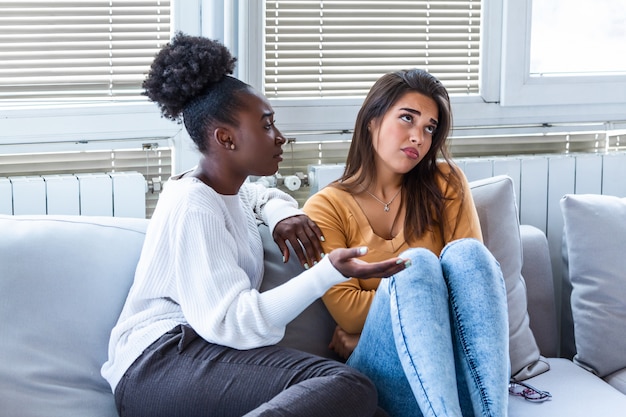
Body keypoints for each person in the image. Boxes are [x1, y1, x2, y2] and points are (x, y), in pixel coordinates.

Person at [101, 33, 410, 417]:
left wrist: (283, 214)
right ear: (226, 139)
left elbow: (263, 196)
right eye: (266, 126)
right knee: (347, 385)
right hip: (158, 365)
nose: (280, 138)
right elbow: (234, 322)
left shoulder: (228, 191)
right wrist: (327, 273)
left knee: (372, 412)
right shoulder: (193, 205)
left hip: (194, 359)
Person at [302, 69, 510, 417]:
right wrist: (412, 300)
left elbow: (471, 291)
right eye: (407, 119)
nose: (419, 137)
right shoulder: (325, 207)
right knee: (417, 266)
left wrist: (404, 308)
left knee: (469, 254)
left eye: (429, 128)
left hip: (451, 367)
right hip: (383, 373)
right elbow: (348, 313)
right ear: (372, 121)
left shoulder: (446, 182)